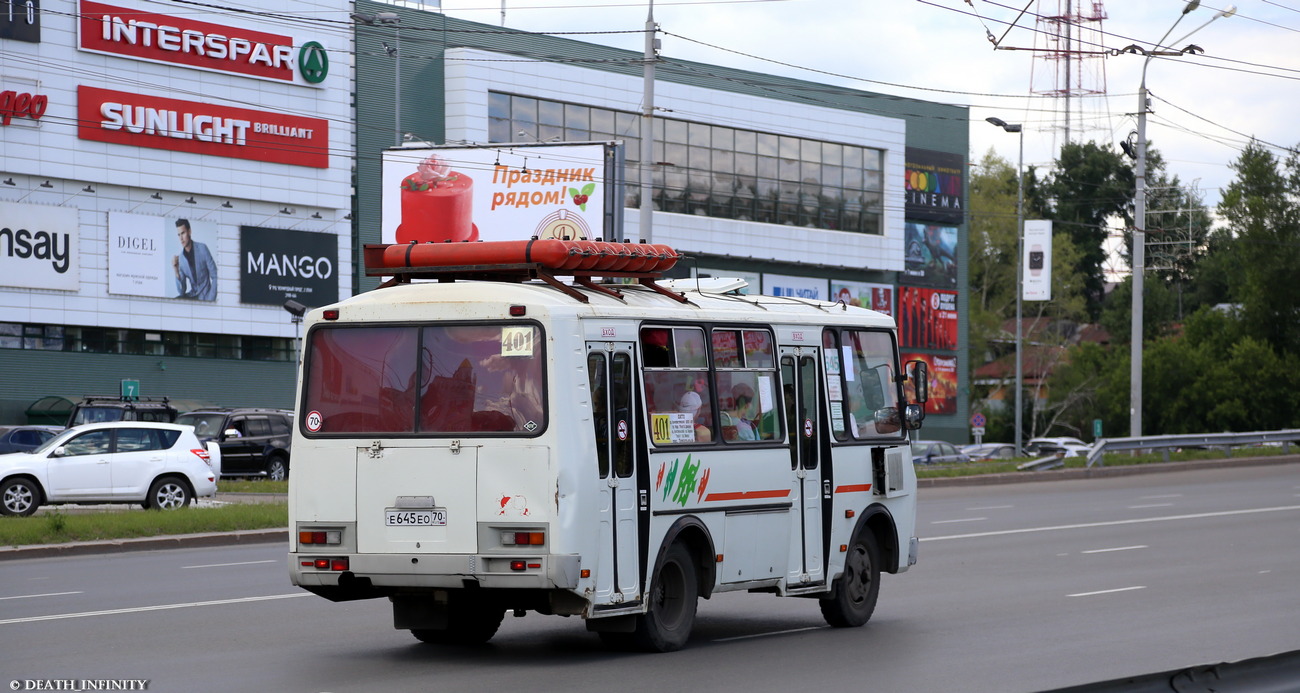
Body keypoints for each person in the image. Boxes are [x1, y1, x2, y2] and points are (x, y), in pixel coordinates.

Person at [172, 218, 217, 301]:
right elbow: (182, 291)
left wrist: (211, 299)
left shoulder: (202, 248)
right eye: (179, 235)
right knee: (174, 301)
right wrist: (176, 271)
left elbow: (215, 276)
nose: (181, 238)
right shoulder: (181, 259)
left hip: (205, 296)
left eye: (183, 233)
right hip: (192, 296)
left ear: (189, 231)